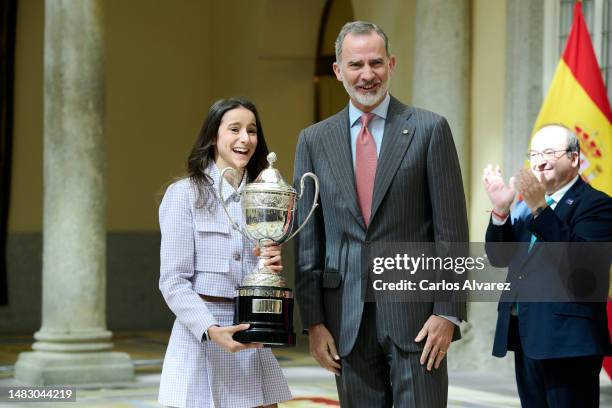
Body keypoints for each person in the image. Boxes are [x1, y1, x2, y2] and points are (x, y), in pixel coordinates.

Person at [293, 21, 468, 407]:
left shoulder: (429, 129)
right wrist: (314, 321)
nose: (367, 75)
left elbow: (451, 230)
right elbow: (309, 240)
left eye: (376, 63)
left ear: (391, 64)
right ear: (339, 71)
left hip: (418, 321)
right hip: (345, 322)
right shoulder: (314, 140)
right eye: (356, 65)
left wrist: (448, 312)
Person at [158, 97, 292, 408]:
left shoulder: (264, 196)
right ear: (213, 137)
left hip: (251, 336)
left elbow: (264, 267)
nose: (245, 139)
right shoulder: (184, 195)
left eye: (252, 130)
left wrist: (269, 266)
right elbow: (173, 281)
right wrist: (211, 330)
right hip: (200, 338)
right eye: (234, 129)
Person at [483, 124, 612, 407]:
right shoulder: (526, 208)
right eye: (535, 153)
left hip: (568, 341)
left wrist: (540, 208)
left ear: (575, 158)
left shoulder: (596, 205)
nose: (540, 160)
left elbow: (584, 264)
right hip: (527, 334)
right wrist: (501, 211)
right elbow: (499, 257)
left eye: (550, 152)